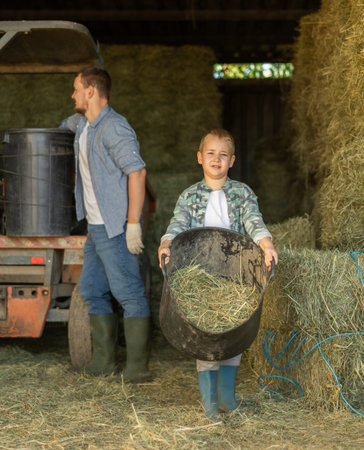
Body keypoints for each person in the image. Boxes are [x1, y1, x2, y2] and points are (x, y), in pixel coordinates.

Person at [158, 128, 278, 419]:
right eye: (210, 153)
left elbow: (253, 220)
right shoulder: (189, 196)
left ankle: (228, 398)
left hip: (234, 274)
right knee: (205, 337)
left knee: (232, 336)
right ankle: (210, 404)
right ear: (200, 158)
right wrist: (166, 241)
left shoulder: (242, 193)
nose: (216, 159)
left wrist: (266, 243)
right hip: (200, 274)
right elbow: (178, 223)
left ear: (232, 160)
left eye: (223, 155)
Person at [60, 67, 152, 383]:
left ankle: (138, 368)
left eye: (76, 89)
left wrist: (132, 224)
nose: (72, 95)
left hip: (115, 226)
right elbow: (59, 130)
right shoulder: (81, 124)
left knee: (128, 291)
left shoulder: (115, 127)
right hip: (95, 226)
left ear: (91, 91)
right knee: (92, 290)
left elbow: (137, 173)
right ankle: (103, 362)